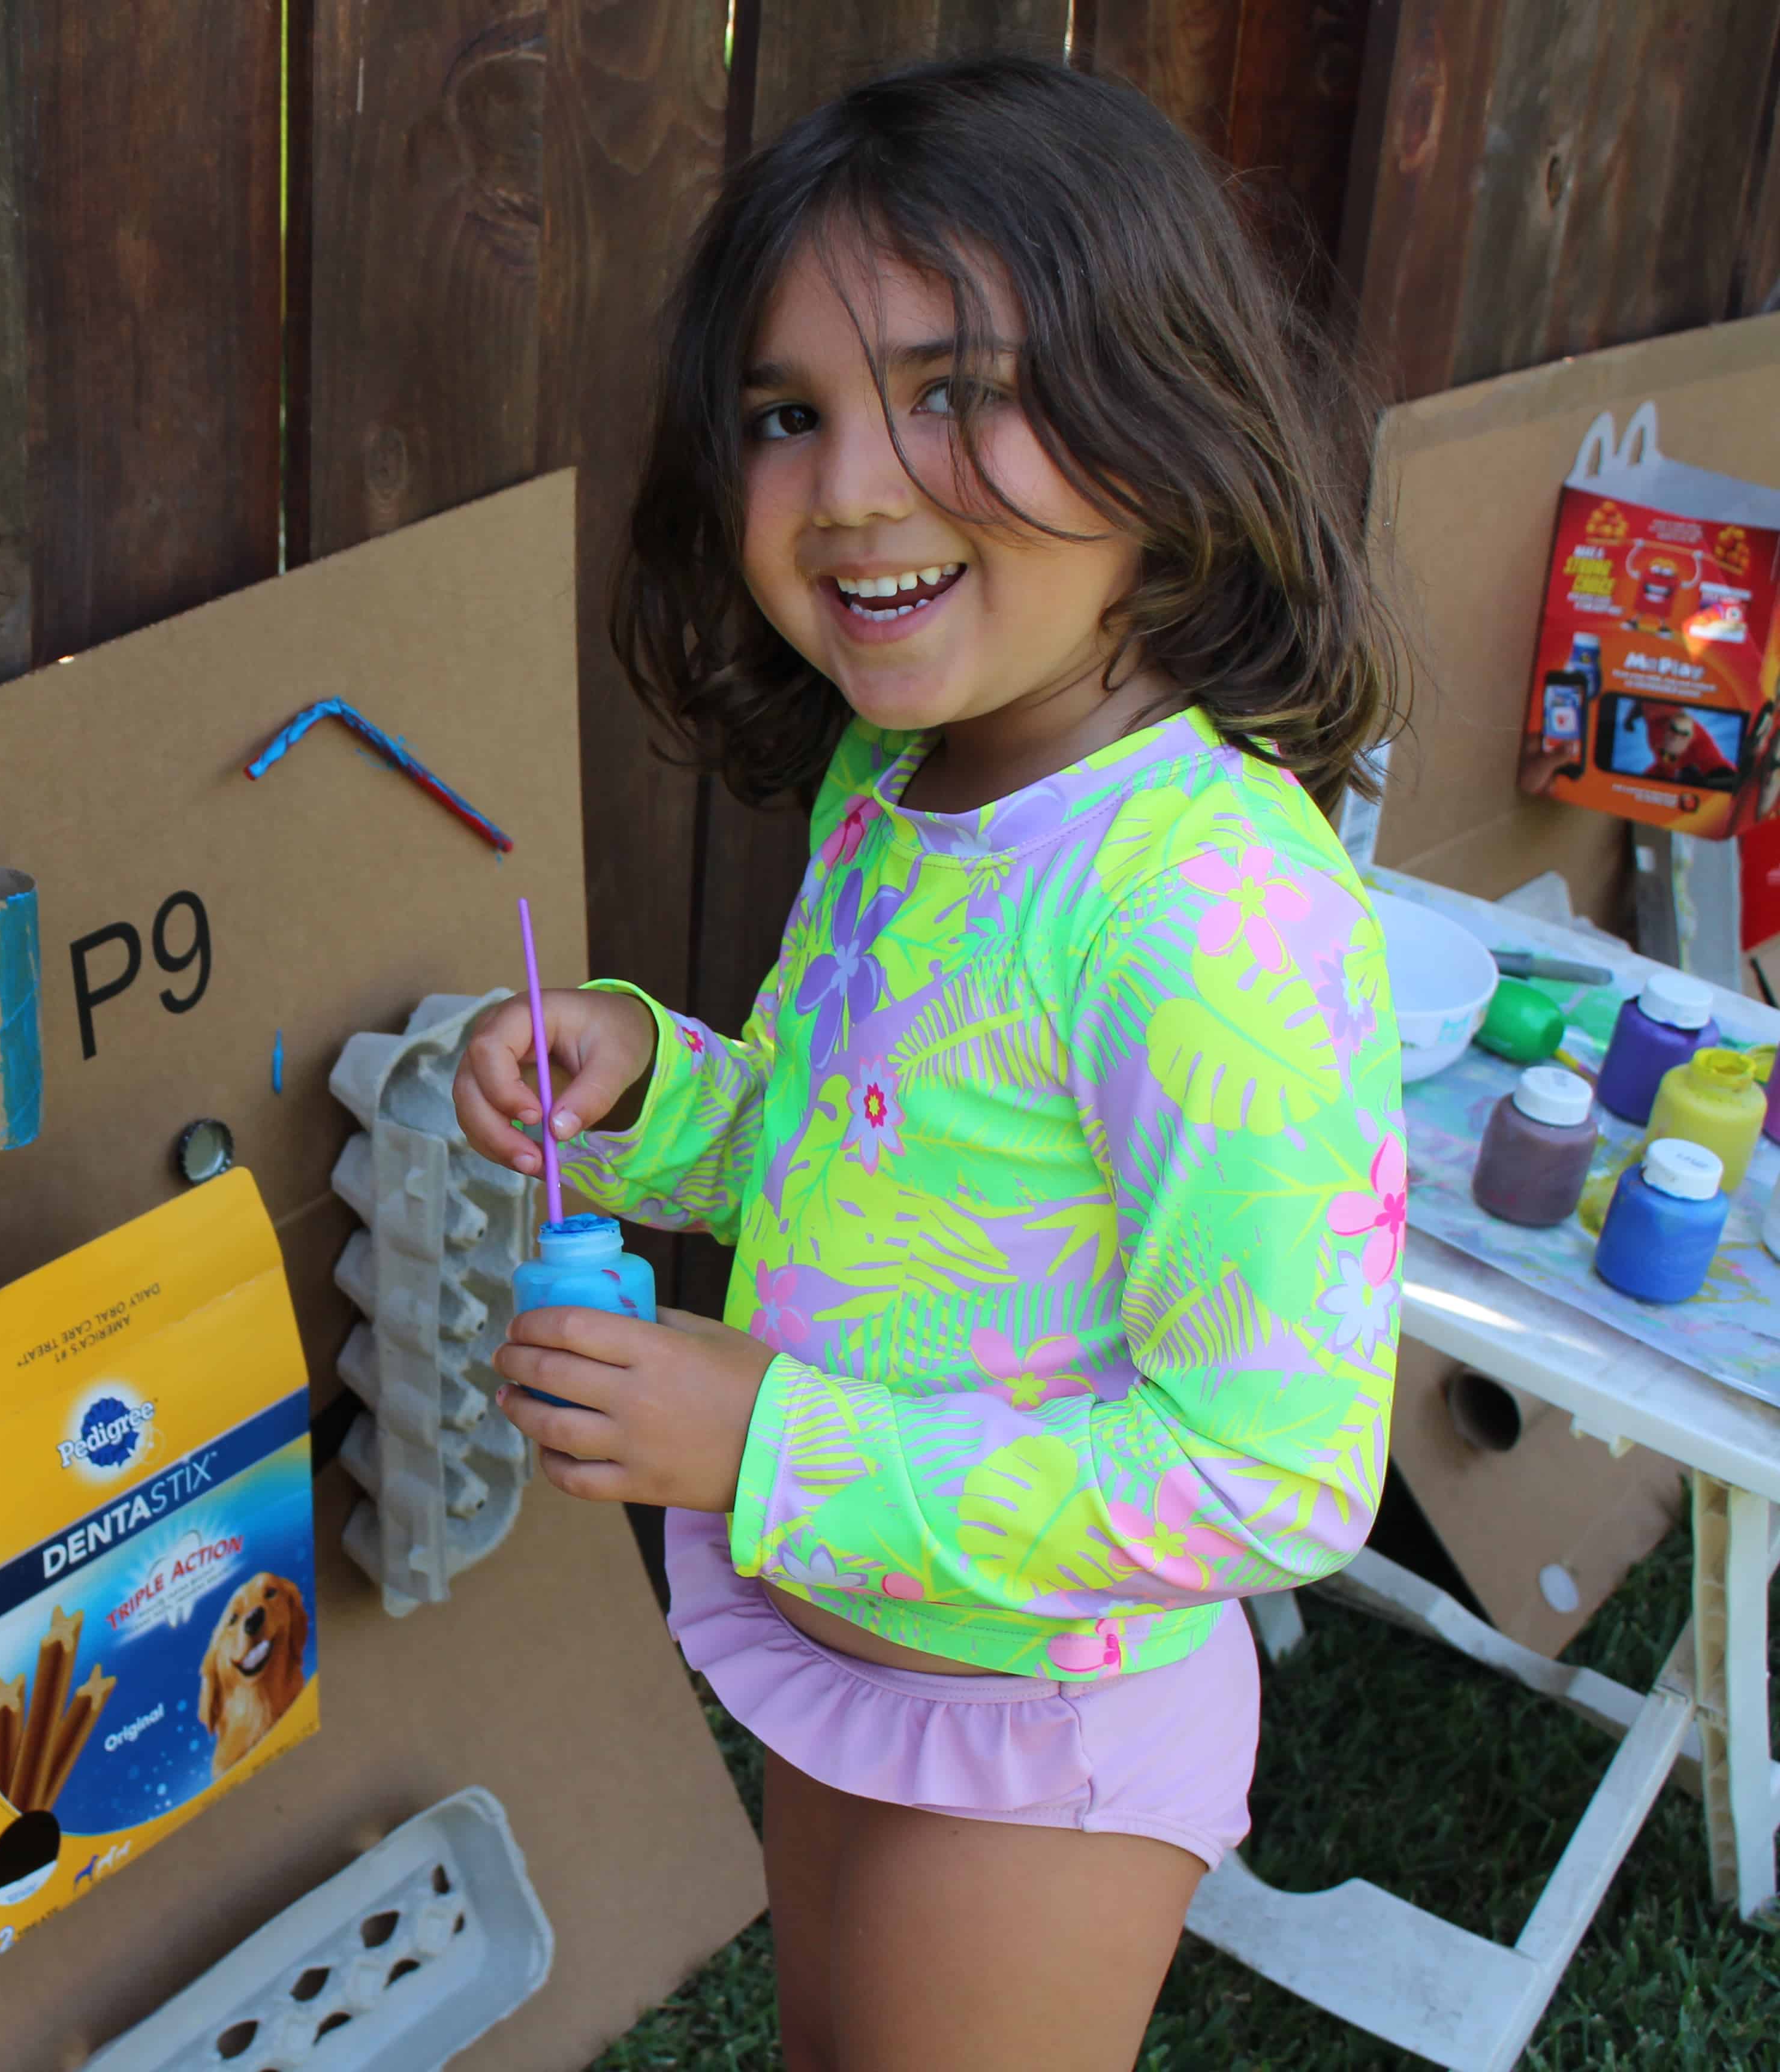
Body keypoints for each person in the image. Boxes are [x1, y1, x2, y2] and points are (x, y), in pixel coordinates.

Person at [450, 56, 1407, 2071]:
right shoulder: (901, 783)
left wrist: (761, 1445)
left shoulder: (1209, 917)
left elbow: (1276, 1469)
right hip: (850, 1633)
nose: (854, 486)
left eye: (955, 388)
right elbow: (866, 1154)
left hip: (1042, 1731)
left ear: (1167, 406)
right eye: (787, 415)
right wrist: (653, 1100)